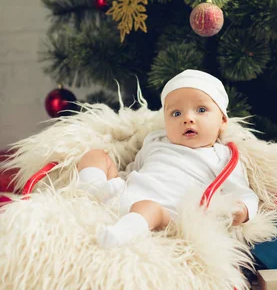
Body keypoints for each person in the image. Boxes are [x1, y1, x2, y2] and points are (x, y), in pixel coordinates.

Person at [77, 69, 259, 249]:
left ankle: (122, 233)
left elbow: (245, 194)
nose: (188, 118)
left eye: (201, 110)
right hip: (121, 195)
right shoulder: (155, 141)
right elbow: (136, 169)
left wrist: (241, 211)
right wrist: (115, 180)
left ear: (223, 121)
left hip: (165, 216)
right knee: (96, 155)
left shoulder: (224, 156)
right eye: (176, 113)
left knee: (148, 208)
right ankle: (93, 190)